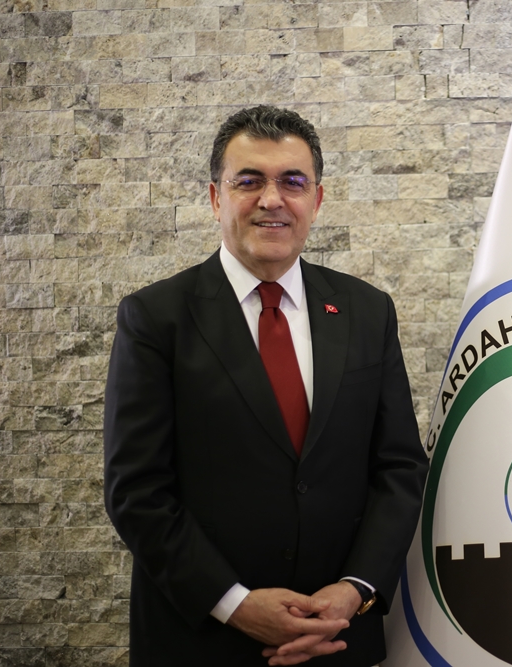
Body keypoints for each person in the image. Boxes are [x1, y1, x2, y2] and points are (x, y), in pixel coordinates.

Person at [103, 105, 429, 666]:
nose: (272, 200)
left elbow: (399, 467)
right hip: (204, 641)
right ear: (216, 198)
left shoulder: (367, 310)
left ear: (316, 201)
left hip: (338, 636)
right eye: (249, 181)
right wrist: (235, 604)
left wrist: (354, 590)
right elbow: (137, 490)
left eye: (293, 182)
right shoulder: (155, 318)